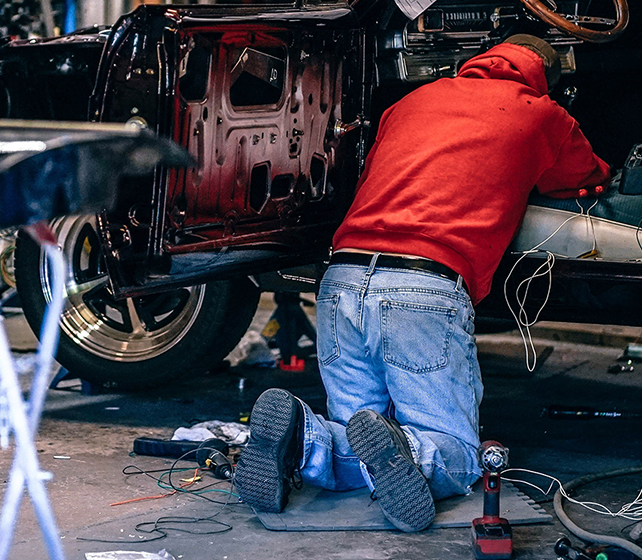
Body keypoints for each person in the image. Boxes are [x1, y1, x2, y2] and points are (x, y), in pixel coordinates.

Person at [232, 34, 611, 531]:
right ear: (545, 78)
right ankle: (410, 448)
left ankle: (302, 439)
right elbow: (587, 179)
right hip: (422, 286)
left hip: (341, 278)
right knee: (459, 455)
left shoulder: (412, 100)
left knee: (355, 435)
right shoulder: (544, 113)